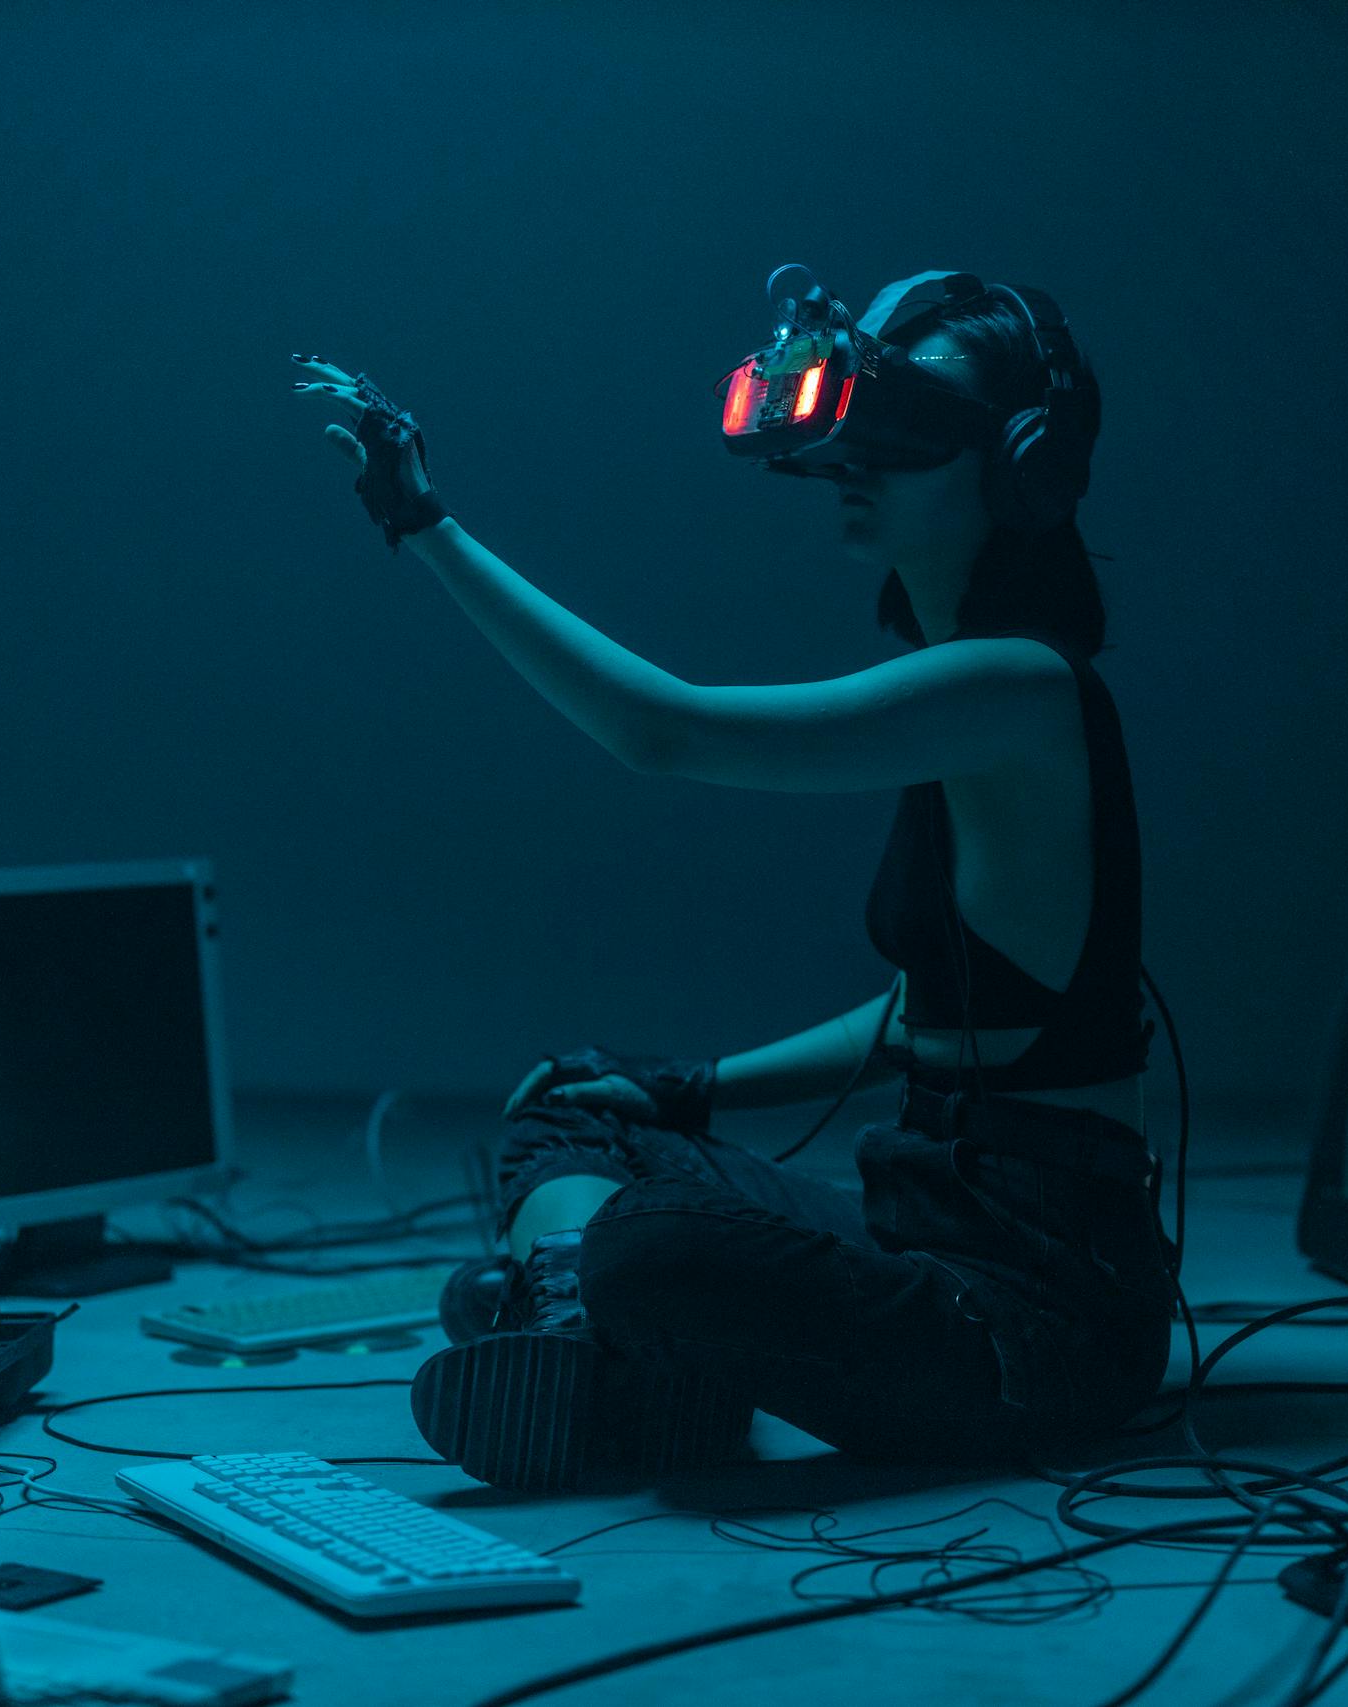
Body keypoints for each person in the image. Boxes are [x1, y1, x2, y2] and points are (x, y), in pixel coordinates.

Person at [288, 270, 1177, 1491]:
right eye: (861, 428)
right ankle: (581, 1340)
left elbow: (667, 733)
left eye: (907, 437)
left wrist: (429, 530)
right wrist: (694, 1091)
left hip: (1030, 1333)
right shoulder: (962, 689)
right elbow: (929, 1015)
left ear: (1024, 469)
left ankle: (602, 1332)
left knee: (652, 1245)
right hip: (917, 1230)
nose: (861, 462)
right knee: (580, 1108)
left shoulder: (1015, 692)